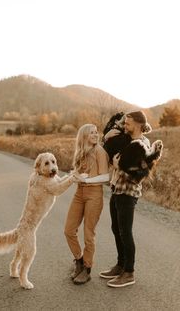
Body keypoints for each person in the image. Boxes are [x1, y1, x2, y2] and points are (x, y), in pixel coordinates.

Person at [99, 110, 153, 288]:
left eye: (127, 123)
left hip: (128, 192)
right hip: (117, 189)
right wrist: (107, 137)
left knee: (125, 232)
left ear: (138, 124)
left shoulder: (142, 144)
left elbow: (138, 175)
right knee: (116, 229)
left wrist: (117, 166)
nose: (124, 125)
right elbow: (109, 155)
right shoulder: (127, 141)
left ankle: (129, 273)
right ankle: (120, 265)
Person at [64, 123, 109, 285]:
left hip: (94, 194)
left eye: (97, 132)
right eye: (92, 133)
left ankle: (87, 269)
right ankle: (79, 260)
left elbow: (105, 177)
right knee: (69, 230)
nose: (96, 135)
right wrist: (75, 176)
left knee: (88, 234)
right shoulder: (81, 152)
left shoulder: (100, 151)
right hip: (79, 192)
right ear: (84, 136)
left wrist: (86, 179)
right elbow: (79, 173)